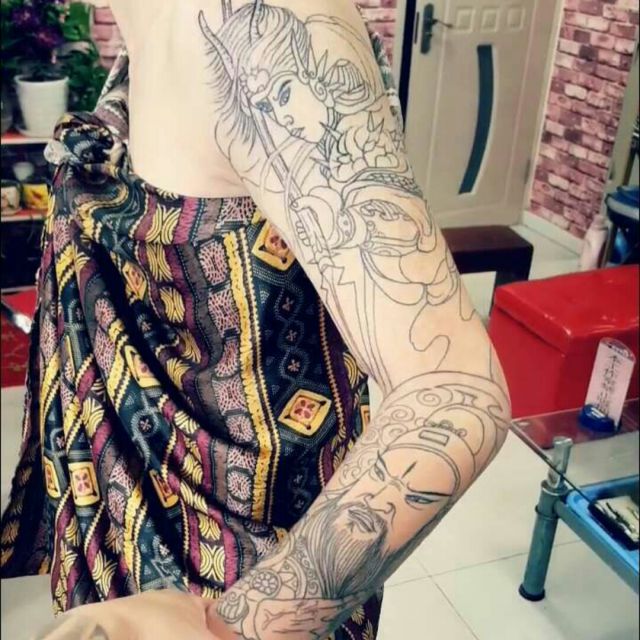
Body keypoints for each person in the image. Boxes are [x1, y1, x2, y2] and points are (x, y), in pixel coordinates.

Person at [0, 2, 511, 639]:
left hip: (231, 579)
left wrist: (230, 627)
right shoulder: (146, 22)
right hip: (123, 525)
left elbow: (454, 394)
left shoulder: (258, 31)